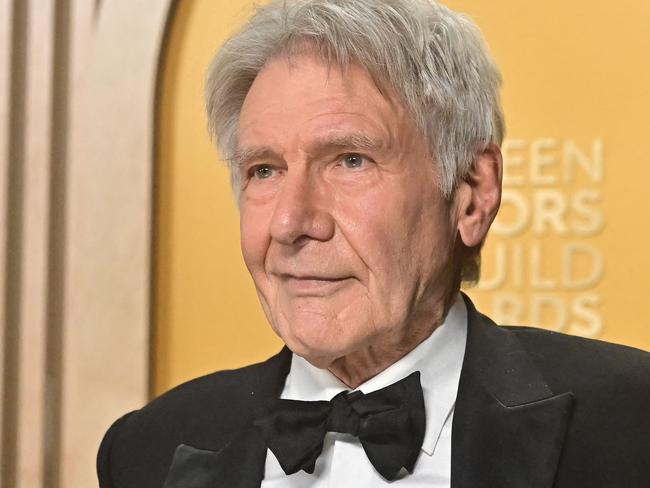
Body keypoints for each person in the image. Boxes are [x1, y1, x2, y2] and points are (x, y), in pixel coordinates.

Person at [97, 1, 650, 487]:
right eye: (264, 170)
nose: (291, 222)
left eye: (350, 161)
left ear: (472, 193)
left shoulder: (631, 426)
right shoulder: (147, 450)